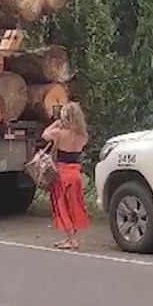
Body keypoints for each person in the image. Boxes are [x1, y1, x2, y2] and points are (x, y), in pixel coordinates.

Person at [42, 102, 90, 249]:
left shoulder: (59, 133)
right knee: (75, 205)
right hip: (75, 173)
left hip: (62, 173)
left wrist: (56, 123)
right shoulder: (83, 136)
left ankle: (71, 239)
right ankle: (71, 236)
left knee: (62, 206)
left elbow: (44, 135)